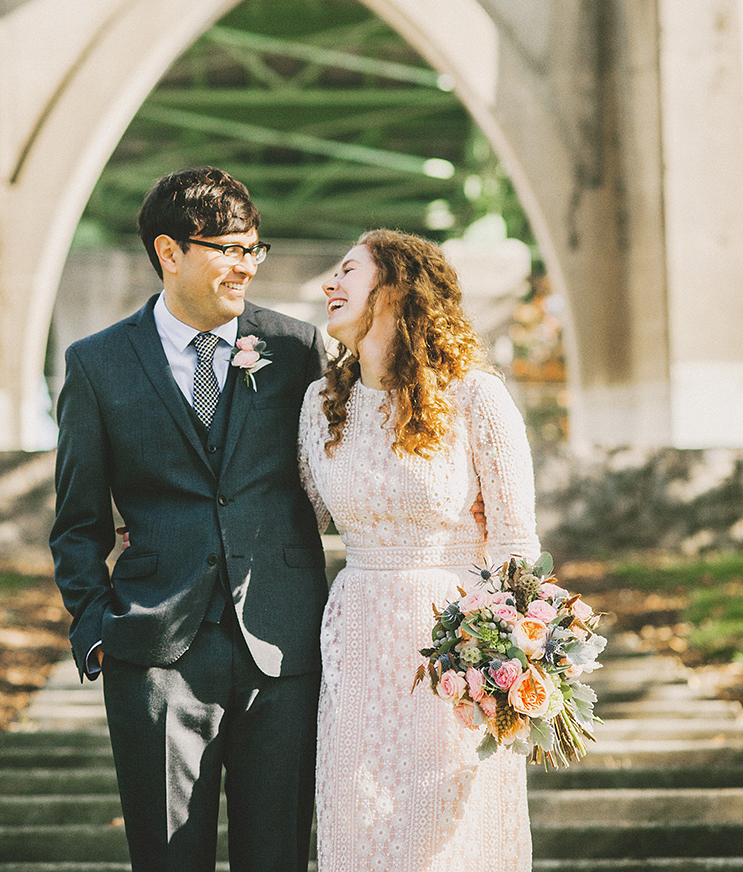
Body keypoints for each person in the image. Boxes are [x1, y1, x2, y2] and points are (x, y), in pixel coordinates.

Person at [50, 166, 328, 872]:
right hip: (152, 652)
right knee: (167, 858)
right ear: (169, 252)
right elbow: (78, 522)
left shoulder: (298, 350)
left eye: (253, 248)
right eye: (229, 248)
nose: (245, 265)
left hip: (283, 643)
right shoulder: (96, 364)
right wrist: (94, 632)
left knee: (280, 856)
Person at [298, 229, 540, 872]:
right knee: (360, 816)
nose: (331, 284)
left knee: (446, 830)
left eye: (349, 271)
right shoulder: (321, 407)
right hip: (356, 631)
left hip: (455, 642)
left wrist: (505, 664)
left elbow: (516, 546)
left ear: (399, 289)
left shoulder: (476, 398)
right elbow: (298, 520)